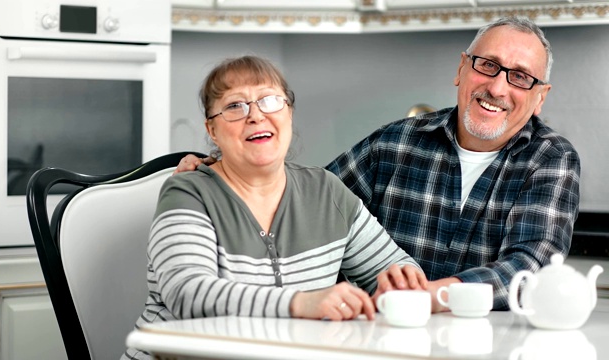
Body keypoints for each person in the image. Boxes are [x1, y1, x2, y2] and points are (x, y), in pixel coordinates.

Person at [176, 16, 580, 313]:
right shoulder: (396, 142)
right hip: (387, 342)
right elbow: (307, 199)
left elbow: (530, 269)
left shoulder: (550, 160)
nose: (497, 86)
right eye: (487, 65)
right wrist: (228, 170)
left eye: (520, 77)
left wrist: (429, 296)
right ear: (462, 69)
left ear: (540, 97)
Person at [122, 56, 426, 360]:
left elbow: (395, 269)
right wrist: (301, 304)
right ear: (212, 130)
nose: (255, 115)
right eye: (234, 106)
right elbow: (189, 293)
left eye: (269, 100)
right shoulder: (188, 192)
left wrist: (401, 282)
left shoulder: (325, 190)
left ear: (289, 113)